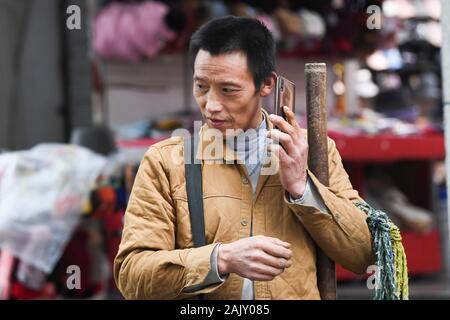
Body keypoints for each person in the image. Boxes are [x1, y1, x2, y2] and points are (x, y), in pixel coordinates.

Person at [114, 16, 373, 300]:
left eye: (228, 90)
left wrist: (302, 188)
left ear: (266, 84)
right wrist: (220, 259)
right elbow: (132, 277)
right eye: (201, 87)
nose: (211, 105)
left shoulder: (314, 152)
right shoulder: (166, 163)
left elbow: (362, 255)